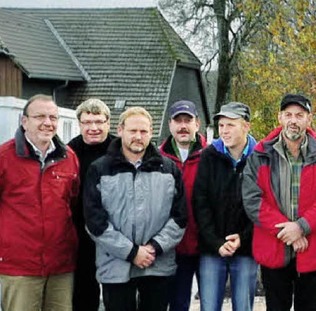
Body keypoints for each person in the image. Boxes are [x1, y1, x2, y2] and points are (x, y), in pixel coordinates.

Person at [242, 94, 316, 311]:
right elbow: (252, 200)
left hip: (312, 248)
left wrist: (301, 227)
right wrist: (289, 232)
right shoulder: (260, 156)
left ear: (309, 119)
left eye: (299, 115)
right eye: (288, 115)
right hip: (273, 247)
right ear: (280, 118)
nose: (293, 120)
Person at [83, 106, 187, 311]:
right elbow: (94, 221)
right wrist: (131, 252)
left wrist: (153, 248)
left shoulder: (168, 169)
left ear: (151, 133)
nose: (138, 137)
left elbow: (180, 217)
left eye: (143, 131)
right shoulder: (99, 169)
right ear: (120, 130)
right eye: (133, 131)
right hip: (115, 266)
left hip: (157, 264)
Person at [0, 94, 80, 311]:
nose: (48, 123)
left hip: (60, 265)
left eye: (53, 117)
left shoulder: (69, 158)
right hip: (19, 267)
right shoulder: (4, 158)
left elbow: (72, 202)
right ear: (24, 121)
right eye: (40, 116)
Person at [194, 102, 258, 311]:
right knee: (209, 306)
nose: (224, 131)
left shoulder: (260, 158)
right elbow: (200, 202)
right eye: (221, 125)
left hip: (246, 248)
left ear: (246, 126)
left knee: (243, 306)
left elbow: (263, 205)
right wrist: (215, 241)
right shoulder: (209, 156)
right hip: (212, 249)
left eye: (230, 125)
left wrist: (243, 237)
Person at [67, 98, 116, 311]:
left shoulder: (120, 150)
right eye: (87, 122)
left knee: (116, 293)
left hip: (115, 232)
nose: (93, 128)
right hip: (80, 233)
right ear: (79, 124)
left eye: (99, 121)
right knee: (83, 294)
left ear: (108, 123)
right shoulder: (68, 152)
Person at [158, 100, 207, 311]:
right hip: (174, 246)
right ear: (170, 125)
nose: (183, 126)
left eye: (188, 120)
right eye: (178, 121)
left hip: (207, 244)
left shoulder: (212, 156)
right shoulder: (158, 158)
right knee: (178, 303)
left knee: (210, 302)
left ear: (198, 123)